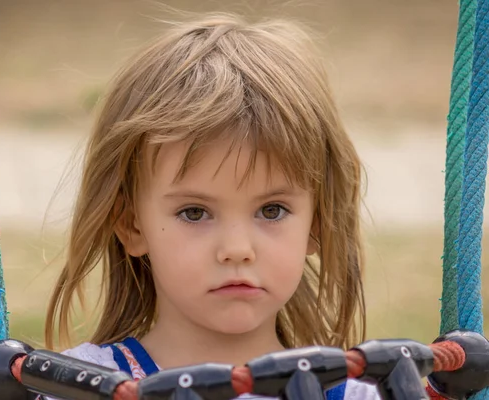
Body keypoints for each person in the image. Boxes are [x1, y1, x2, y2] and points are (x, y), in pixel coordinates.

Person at [42, 12, 379, 400]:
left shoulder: (353, 395)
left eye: (272, 210)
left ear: (316, 224)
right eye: (195, 213)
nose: (237, 249)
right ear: (132, 226)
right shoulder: (82, 389)